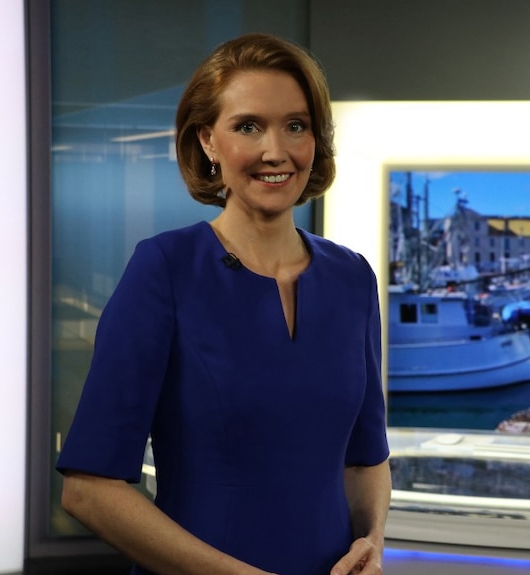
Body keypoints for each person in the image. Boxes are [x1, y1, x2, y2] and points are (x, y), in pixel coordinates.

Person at [57, 33, 391, 575]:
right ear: (208, 141)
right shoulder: (164, 269)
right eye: (248, 127)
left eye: (296, 126)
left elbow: (366, 459)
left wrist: (371, 542)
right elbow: (89, 490)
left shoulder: (352, 277)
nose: (275, 151)